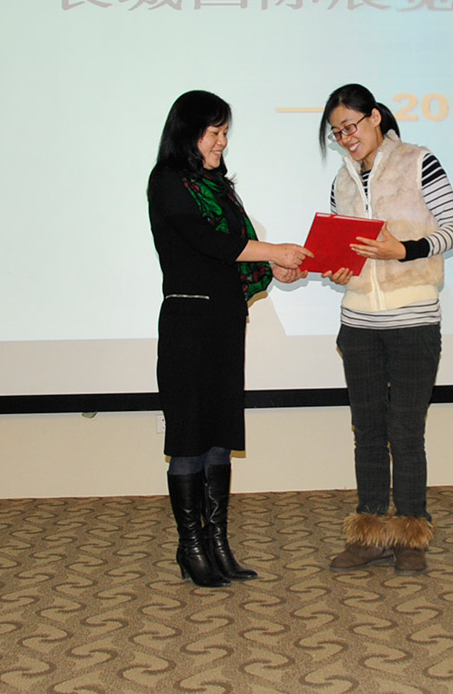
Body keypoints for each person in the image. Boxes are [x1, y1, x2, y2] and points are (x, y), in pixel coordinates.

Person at [147, 90, 310, 588]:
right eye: (214, 133)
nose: (221, 142)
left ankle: (217, 543)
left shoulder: (219, 186)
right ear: (188, 133)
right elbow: (211, 242)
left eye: (224, 134)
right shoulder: (167, 181)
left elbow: (238, 251)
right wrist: (274, 250)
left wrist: (275, 265)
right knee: (189, 436)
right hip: (188, 322)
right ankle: (191, 546)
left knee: (220, 435)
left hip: (224, 320)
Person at [316, 83, 453, 575]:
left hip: (413, 322)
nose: (346, 138)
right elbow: (345, 251)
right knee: (367, 431)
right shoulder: (341, 181)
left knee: (405, 431)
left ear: (375, 117)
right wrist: (338, 269)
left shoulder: (419, 161)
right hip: (358, 323)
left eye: (351, 126)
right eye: (337, 133)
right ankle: (370, 534)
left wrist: (403, 250)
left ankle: (410, 537)